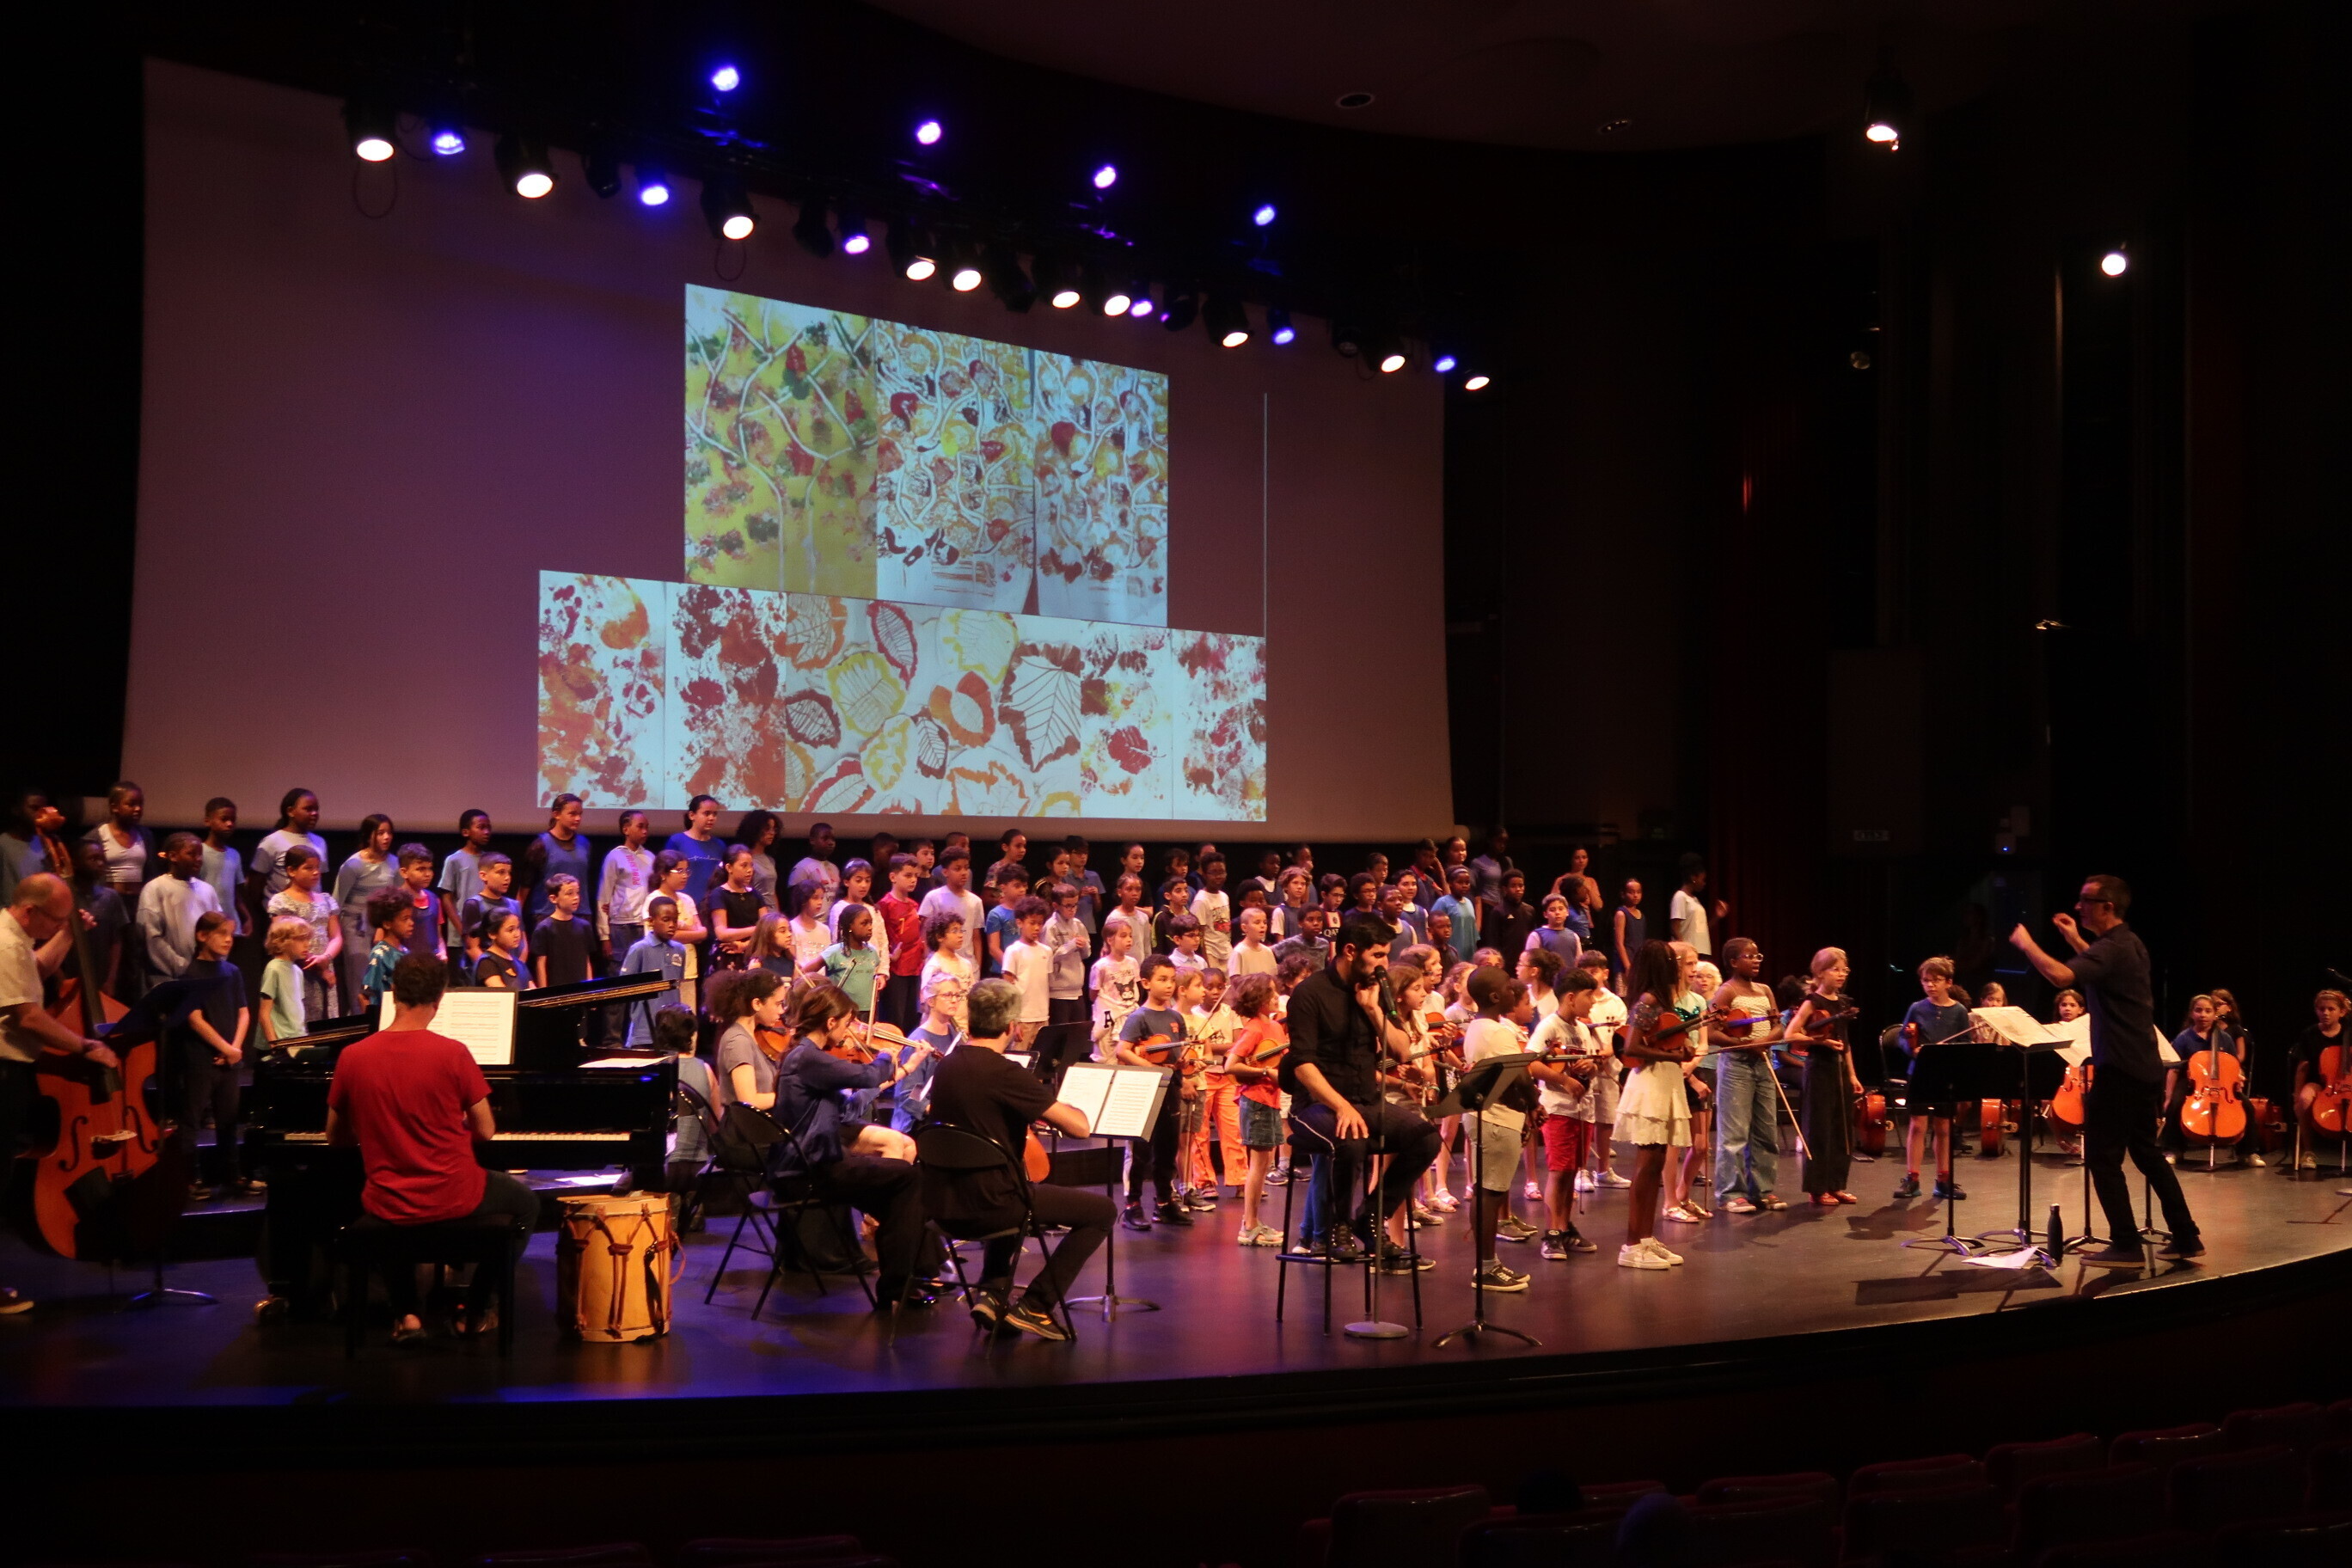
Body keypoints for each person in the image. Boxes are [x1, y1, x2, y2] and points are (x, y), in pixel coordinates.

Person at [326, 953, 540, 1342]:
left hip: (389, 1197)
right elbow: (486, 1131)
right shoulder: (453, 1053)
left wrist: (382, 1129)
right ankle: (477, 1309)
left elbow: (335, 1137)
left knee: (388, 1208)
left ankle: (407, 1314)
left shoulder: (353, 1056)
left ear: (394, 993)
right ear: (440, 998)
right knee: (527, 1203)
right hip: (453, 1193)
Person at [2011, 874, 2201, 1264]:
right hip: (2142, 1067)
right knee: (2147, 1155)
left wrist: (2027, 944)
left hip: (2119, 1071)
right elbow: (2098, 968)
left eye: (2086, 900)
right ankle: (2185, 1236)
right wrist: (2073, 939)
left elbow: (2062, 976)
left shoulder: (2113, 948)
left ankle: (2126, 1244)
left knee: (2102, 1157)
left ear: (2108, 907)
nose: (2078, 906)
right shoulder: (2127, 944)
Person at [922, 977, 1113, 1341]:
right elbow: (1079, 1128)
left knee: (1010, 1181)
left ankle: (992, 1293)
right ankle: (1037, 1306)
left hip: (943, 1203)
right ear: (1012, 1027)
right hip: (992, 1206)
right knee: (1101, 1211)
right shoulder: (1006, 1073)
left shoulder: (947, 1066)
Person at [1279, 917, 1442, 1269]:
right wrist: (1341, 1107)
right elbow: (1302, 1065)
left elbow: (1402, 1051)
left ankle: (1369, 1215)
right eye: (1378, 955)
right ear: (1351, 951)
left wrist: (1372, 1010)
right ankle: (1335, 1226)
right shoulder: (1310, 993)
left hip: (1366, 1100)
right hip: (1315, 1106)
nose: (1385, 964)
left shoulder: (1376, 991)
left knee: (1426, 1139)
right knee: (1351, 1139)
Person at [768, 983, 938, 1311]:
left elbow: (849, 1106)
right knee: (909, 1178)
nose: (849, 1031)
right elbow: (869, 1075)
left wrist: (905, 1067)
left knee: (900, 1197)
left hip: (816, 1164)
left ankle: (909, 1279)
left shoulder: (805, 1057)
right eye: (846, 1023)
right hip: (809, 1171)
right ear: (830, 1022)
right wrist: (887, 1053)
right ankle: (906, 1280)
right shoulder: (809, 1058)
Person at [0, 875, 124, 1311]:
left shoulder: (15, 939)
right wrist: (85, 1045)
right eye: (56, 919)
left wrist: (70, 933)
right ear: (29, 911)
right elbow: (28, 1017)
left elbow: (37, 971)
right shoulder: (5, 944)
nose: (58, 926)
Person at [1615, 940, 1696, 1269]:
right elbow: (1631, 1047)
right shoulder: (1648, 1000)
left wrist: (1682, 1048)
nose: (1677, 966)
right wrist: (1672, 1056)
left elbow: (1664, 1042)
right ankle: (1632, 1246)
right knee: (1646, 1167)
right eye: (1671, 961)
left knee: (1656, 1164)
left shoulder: (1664, 1002)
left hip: (1665, 1082)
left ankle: (1647, 1239)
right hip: (1650, 1087)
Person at [1459, 966, 1536, 1292]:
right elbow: (1520, 1075)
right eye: (1507, 988)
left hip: (1486, 1117)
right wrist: (1534, 1104)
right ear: (1494, 996)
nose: (1513, 991)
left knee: (1485, 1190)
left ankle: (1487, 1263)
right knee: (1490, 1193)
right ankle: (1486, 1267)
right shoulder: (1498, 1032)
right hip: (1497, 1119)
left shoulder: (1479, 1028)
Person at [173, 910, 251, 1200]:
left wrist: (235, 1049)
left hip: (230, 1058)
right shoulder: (191, 974)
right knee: (191, 1119)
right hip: (201, 1059)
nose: (229, 940)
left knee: (228, 1120)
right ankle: (190, 1179)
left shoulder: (232, 972)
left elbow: (244, 1012)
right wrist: (225, 1048)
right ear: (202, 936)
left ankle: (232, 1176)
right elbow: (194, 1019)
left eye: (231, 934)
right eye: (222, 934)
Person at [1528, 967, 1607, 1258]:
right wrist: (1563, 1080)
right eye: (1589, 996)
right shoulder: (1549, 1027)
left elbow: (1590, 1065)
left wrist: (1591, 1067)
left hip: (1582, 1110)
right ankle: (1552, 1232)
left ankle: (1564, 1226)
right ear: (1571, 998)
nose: (1593, 1002)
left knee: (1572, 1171)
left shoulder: (1583, 1029)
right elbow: (1531, 1062)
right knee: (1559, 1171)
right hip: (1559, 1109)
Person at [1708, 937, 1785, 1215]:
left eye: (1758, 956)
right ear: (1732, 962)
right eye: (1749, 956)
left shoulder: (1765, 990)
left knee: (1766, 1130)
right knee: (1735, 1133)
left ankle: (1762, 1190)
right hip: (1737, 1065)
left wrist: (1764, 1042)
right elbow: (1712, 1032)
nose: (1755, 961)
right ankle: (1731, 1192)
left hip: (1763, 1062)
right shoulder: (1726, 992)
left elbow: (1778, 1027)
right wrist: (1743, 1044)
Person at [1114, 954, 1191, 1229]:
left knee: (1167, 1149)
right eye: (1162, 980)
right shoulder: (1139, 1017)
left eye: (1172, 980)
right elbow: (1122, 1050)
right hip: (1145, 1090)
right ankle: (1132, 1205)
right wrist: (1152, 1067)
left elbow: (1179, 1053)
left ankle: (1164, 1203)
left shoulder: (1175, 1017)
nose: (1169, 985)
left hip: (1170, 1089)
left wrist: (1184, 1066)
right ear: (1146, 983)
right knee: (1140, 1151)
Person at [1787, 947, 1862, 1205]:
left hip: (1839, 1070)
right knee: (1819, 1129)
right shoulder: (1812, 1002)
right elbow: (1790, 1034)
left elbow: (1845, 1042)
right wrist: (1820, 1042)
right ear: (1819, 972)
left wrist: (1853, 1075)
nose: (1841, 974)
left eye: (1844, 970)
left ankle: (1836, 1184)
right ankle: (1817, 1189)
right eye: (1835, 969)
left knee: (1841, 1129)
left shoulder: (1842, 1003)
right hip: (1819, 1069)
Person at [1894, 957, 1971, 1202]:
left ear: (1948, 982)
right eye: (1926, 980)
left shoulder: (1959, 1011)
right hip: (1919, 1071)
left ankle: (1943, 1180)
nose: (1930, 985)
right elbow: (1902, 1037)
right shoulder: (1917, 1008)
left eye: (1936, 980)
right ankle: (1912, 1178)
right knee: (1917, 1125)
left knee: (1944, 1127)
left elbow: (1965, 1044)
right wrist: (1912, 1049)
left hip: (1946, 1074)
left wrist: (1950, 1052)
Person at [1222, 972, 1289, 1246]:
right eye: (1270, 992)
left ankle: (1254, 1222)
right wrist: (1264, 1072)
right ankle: (1249, 1225)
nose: (1276, 996)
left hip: (1270, 1099)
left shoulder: (1274, 1027)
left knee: (1263, 1164)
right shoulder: (1254, 1029)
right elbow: (1231, 1065)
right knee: (1259, 1165)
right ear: (1257, 998)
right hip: (1256, 1101)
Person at [2162, 994, 2260, 1165]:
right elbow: (2174, 1069)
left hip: (2222, 1084)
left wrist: (2238, 1079)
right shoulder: (2184, 1038)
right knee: (2175, 1105)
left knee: (2247, 1106)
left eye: (2208, 1011)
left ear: (2215, 1014)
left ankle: (2247, 1153)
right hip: (2192, 1083)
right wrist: (2169, 1097)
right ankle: (2174, 1150)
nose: (2203, 1015)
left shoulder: (2224, 1038)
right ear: (2191, 1013)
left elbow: (2234, 1065)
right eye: (2198, 1010)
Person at [1572, 949, 1630, 1191]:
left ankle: (1604, 1170)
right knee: (1584, 1119)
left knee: (1606, 1119)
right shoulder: (1575, 998)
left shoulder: (1615, 1003)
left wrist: (1609, 1050)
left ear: (1605, 974)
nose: (1589, 976)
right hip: (1583, 1069)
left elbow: (1621, 1034)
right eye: (1585, 971)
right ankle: (1580, 1171)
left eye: (1594, 971)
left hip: (1608, 1069)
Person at [136, 831, 223, 980]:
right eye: (191, 854)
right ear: (173, 856)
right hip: (169, 976)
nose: (198, 859)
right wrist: (183, 967)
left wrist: (211, 962)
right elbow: (152, 936)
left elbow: (219, 928)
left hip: (205, 973)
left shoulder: (207, 890)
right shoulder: (155, 888)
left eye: (200, 854)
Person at [333, 816, 400, 1007]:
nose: (386, 837)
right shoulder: (353, 865)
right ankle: (360, 1018)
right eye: (381, 833)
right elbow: (336, 902)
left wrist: (384, 927)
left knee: (386, 972)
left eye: (389, 833)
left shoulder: (394, 863)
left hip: (384, 924)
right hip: (356, 925)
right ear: (369, 836)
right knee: (360, 974)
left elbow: (397, 897)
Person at [892, 970, 965, 1134]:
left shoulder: (955, 1035)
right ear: (931, 1001)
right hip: (918, 1124)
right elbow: (910, 1094)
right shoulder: (919, 1041)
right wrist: (940, 1112)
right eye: (947, 995)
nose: (954, 1000)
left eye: (957, 995)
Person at [1039, 880, 1093, 1074]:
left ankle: (1074, 1073)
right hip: (1059, 991)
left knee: (1077, 1037)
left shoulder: (1078, 924)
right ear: (1056, 905)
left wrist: (1084, 946)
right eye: (1068, 906)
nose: (1072, 909)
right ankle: (1057, 1077)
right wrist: (1070, 945)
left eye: (1075, 905)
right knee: (1060, 1041)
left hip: (1076, 988)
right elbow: (1049, 956)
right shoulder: (1050, 927)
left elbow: (1087, 954)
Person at [618, 897, 687, 1047]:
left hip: (672, 1030)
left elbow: (677, 984)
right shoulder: (639, 949)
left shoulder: (680, 950)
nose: (672, 925)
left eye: (675, 920)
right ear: (651, 921)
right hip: (644, 1031)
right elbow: (624, 986)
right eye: (666, 920)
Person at [518, 794, 591, 932]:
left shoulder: (584, 844)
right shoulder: (541, 845)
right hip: (547, 914)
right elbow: (525, 887)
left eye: (580, 814)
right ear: (556, 814)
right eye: (572, 814)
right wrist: (517, 919)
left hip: (580, 914)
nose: (578, 818)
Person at [595, 810, 655, 973]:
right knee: (621, 971)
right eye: (640, 827)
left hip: (644, 924)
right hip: (621, 926)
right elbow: (603, 896)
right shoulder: (615, 856)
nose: (645, 831)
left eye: (647, 827)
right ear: (626, 829)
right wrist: (604, 936)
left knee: (643, 971)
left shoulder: (650, 857)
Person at [248, 788, 328, 906]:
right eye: (308, 809)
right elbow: (255, 884)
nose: (314, 813)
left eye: (316, 809)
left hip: (313, 911)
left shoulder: (319, 842)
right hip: (282, 911)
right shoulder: (272, 842)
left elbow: (321, 880)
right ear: (290, 811)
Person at [877, 853, 927, 1032]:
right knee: (895, 1018)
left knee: (911, 1017)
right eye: (908, 875)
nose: (913, 880)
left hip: (914, 968)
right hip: (896, 969)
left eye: (915, 876)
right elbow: (879, 937)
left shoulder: (914, 905)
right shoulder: (885, 905)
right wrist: (889, 955)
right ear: (893, 877)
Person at [998, 895, 1053, 1054]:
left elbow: (1044, 984)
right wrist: (1014, 1020)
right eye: (1032, 923)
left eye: (1040, 923)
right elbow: (1008, 990)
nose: (1037, 928)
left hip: (1042, 1017)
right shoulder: (1014, 951)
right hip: (1022, 1019)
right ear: (1020, 923)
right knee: (1020, 1060)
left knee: (1040, 1061)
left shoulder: (1046, 951)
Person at [83, 781, 153, 899]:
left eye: (140, 804)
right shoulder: (97, 836)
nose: (138, 809)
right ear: (114, 807)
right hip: (108, 902)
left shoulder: (145, 835)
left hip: (137, 901)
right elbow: (88, 873)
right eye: (131, 804)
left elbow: (151, 871)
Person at [437, 810, 495, 952]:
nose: (486, 832)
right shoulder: (454, 860)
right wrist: (463, 931)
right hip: (461, 937)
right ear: (465, 832)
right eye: (481, 827)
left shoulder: (490, 861)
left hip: (487, 934)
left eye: (488, 827)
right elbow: (447, 899)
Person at [916, 848, 985, 959]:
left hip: (967, 962)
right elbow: (925, 933)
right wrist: (926, 959)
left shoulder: (976, 901)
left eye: (966, 868)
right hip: (940, 961)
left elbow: (976, 937)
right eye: (957, 869)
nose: (963, 873)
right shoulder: (933, 897)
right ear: (945, 872)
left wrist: (977, 964)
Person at [664, 795, 727, 912]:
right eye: (707, 813)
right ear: (692, 815)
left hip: (712, 907)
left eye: (714, 814)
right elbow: (666, 876)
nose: (711, 818)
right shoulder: (677, 841)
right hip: (684, 907)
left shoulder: (719, 845)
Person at [530, 874, 594, 991]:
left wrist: (590, 989)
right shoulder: (544, 928)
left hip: (580, 990)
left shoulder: (584, 926)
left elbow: (586, 961)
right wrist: (544, 993)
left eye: (577, 893)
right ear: (553, 898)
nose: (576, 897)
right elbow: (541, 964)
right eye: (570, 893)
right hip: (556, 990)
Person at [1088, 916, 1140, 1058]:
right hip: (1109, 1018)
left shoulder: (1133, 963)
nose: (1129, 940)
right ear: (1110, 940)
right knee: (1106, 1057)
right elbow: (1093, 995)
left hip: (1128, 1015)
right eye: (1123, 936)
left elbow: (1136, 987)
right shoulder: (1101, 966)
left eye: (1130, 936)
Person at [197, 798, 248, 940]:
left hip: (231, 924)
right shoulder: (199, 852)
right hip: (207, 923)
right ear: (208, 821)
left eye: (233, 820)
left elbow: (236, 894)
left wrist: (247, 917)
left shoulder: (234, 854)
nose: (229, 824)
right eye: (224, 819)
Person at [918, 910, 977, 1032]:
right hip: (942, 1029)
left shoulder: (966, 964)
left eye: (961, 930)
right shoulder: (935, 966)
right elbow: (926, 1003)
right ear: (939, 937)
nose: (960, 935)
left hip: (964, 1029)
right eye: (954, 931)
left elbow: (972, 995)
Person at [258, 916, 312, 1044]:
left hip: (297, 1038)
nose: (307, 944)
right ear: (283, 941)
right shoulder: (274, 969)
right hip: (280, 1041)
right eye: (301, 940)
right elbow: (264, 1013)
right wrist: (274, 1044)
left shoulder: (297, 971)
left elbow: (297, 1010)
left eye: (307, 939)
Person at [710, 846, 767, 971]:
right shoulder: (719, 894)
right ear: (729, 868)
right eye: (744, 866)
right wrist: (757, 929)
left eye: (751, 865)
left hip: (753, 954)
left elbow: (767, 929)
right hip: (728, 955)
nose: (749, 870)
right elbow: (722, 933)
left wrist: (745, 945)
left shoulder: (755, 895)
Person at [359, 890, 413, 1013]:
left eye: (411, 918)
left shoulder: (406, 952)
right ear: (387, 924)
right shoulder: (380, 954)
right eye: (405, 919)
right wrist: (373, 1020)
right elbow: (365, 995)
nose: (411, 923)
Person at [1668, 854, 1726, 959]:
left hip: (1702, 949)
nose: (1704, 883)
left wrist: (1717, 916)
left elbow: (1702, 929)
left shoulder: (1695, 900)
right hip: (1689, 951)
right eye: (1703, 879)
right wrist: (1684, 948)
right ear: (1693, 878)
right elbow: (1674, 927)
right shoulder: (1680, 897)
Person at [1190, 853, 1233, 970]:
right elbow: (1200, 935)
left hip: (1226, 952)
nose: (1218, 876)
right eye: (1213, 873)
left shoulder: (1224, 896)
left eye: (1222, 872)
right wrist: (1207, 964)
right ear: (1204, 875)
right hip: (1211, 954)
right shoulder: (1201, 901)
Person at [787, 820, 842, 907]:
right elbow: (794, 902)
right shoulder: (803, 867)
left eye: (833, 839)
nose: (830, 843)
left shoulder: (834, 868)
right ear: (812, 840)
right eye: (825, 838)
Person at [471, 909, 525, 989]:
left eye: (517, 928)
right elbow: (503, 994)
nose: (517, 934)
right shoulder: (487, 963)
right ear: (492, 934)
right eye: (510, 930)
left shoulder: (518, 963)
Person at [1612, 880, 1647, 987]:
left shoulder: (1641, 915)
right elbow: (1619, 943)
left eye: (1638, 892)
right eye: (1631, 892)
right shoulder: (1621, 914)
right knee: (1624, 993)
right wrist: (1627, 966)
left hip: (1637, 962)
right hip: (1624, 964)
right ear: (1623, 894)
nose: (1635, 895)